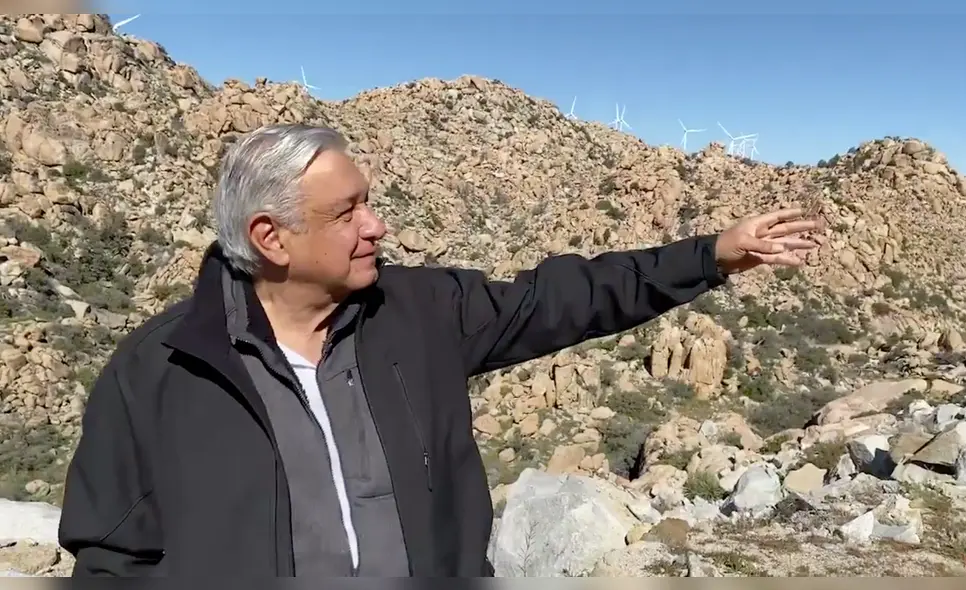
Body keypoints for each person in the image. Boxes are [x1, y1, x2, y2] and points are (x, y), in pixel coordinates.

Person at [57, 123, 823, 577]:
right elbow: (111, 558)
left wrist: (711, 255)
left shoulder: (419, 313)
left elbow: (563, 296)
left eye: (371, 203)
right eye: (349, 211)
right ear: (271, 238)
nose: (377, 226)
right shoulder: (157, 373)